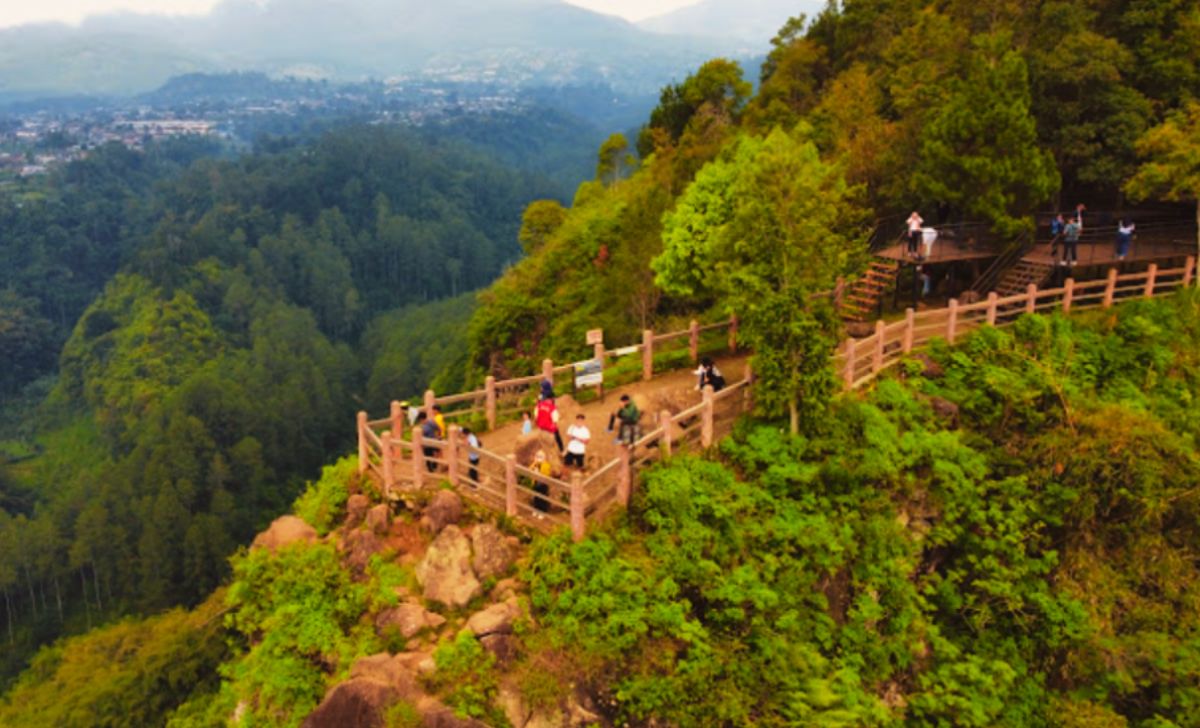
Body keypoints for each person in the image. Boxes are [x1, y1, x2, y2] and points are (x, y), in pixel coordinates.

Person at [530, 449, 553, 515]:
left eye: (540, 457)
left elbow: (546, 474)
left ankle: (542, 512)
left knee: (542, 499)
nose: (538, 458)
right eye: (537, 456)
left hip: (543, 485)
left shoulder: (546, 465)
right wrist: (534, 464)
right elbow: (530, 470)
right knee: (536, 497)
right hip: (536, 483)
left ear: (544, 459)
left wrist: (539, 473)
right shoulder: (534, 464)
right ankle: (536, 509)